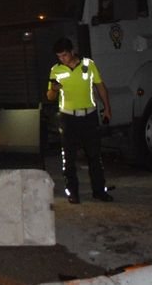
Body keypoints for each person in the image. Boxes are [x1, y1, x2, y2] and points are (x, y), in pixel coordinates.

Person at [46, 38, 113, 204]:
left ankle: (99, 191)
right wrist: (53, 90)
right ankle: (73, 193)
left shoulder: (88, 65)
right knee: (68, 158)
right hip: (68, 118)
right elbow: (49, 96)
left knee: (94, 156)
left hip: (89, 116)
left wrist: (107, 108)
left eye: (64, 55)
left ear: (72, 51)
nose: (62, 59)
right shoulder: (55, 70)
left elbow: (100, 86)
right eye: (59, 56)